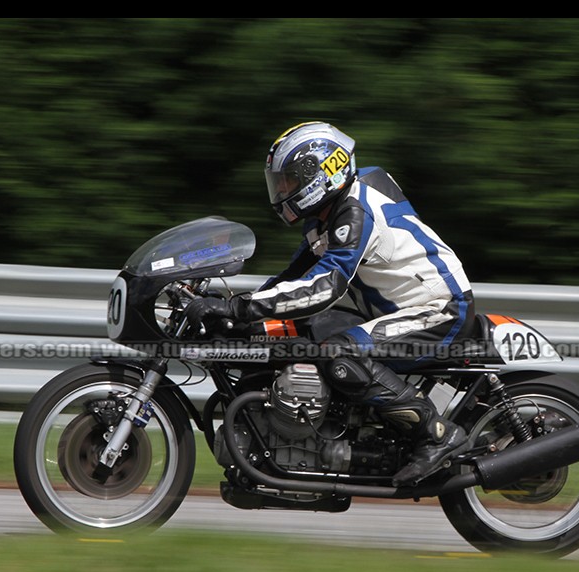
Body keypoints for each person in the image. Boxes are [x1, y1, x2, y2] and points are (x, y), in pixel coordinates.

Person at [184, 121, 475, 487]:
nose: (283, 190)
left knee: (340, 354)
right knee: (295, 333)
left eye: (289, 181)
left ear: (321, 173)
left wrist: (239, 309)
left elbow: (326, 286)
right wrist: (235, 308)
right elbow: (294, 279)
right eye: (281, 182)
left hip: (439, 310)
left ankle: (436, 434)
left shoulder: (355, 213)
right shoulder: (328, 215)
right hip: (393, 312)